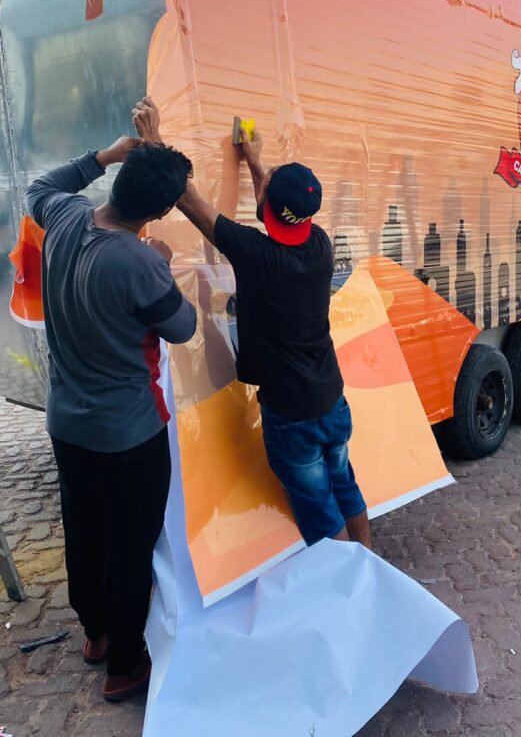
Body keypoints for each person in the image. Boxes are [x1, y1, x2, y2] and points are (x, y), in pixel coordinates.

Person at [132, 97, 371, 550]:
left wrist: (156, 141)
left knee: (322, 517)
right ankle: (371, 568)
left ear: (267, 204)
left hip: (292, 413)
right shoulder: (317, 244)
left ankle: (349, 600)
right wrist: (257, 162)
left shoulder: (256, 255)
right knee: (346, 489)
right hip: (331, 401)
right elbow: (278, 208)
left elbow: (189, 199)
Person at [26, 135, 197, 702]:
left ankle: (96, 634)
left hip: (67, 425)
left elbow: (41, 186)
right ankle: (125, 665)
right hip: (129, 435)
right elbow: (183, 327)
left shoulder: (66, 217)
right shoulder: (140, 262)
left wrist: (103, 154)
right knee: (130, 546)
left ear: (117, 178)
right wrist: (167, 269)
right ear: (163, 210)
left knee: (85, 529)